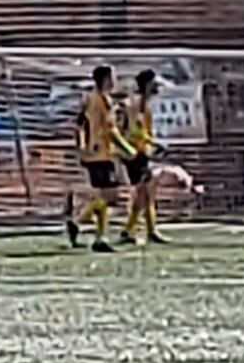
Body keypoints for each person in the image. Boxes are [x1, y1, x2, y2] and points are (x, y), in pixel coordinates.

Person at [71, 64, 129, 253]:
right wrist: (128, 149)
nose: (115, 81)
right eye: (113, 77)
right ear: (106, 79)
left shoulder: (91, 98)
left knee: (104, 195)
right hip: (100, 154)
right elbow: (110, 130)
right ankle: (80, 222)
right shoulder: (101, 100)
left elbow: (79, 124)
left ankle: (98, 236)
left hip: (96, 153)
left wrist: (81, 146)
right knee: (110, 195)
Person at [120, 69, 170, 247]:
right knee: (143, 193)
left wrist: (152, 145)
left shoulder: (145, 106)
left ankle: (143, 230)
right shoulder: (133, 105)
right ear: (147, 85)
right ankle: (134, 230)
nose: (157, 86)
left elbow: (144, 133)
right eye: (154, 83)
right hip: (132, 154)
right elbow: (133, 131)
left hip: (141, 154)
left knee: (145, 194)